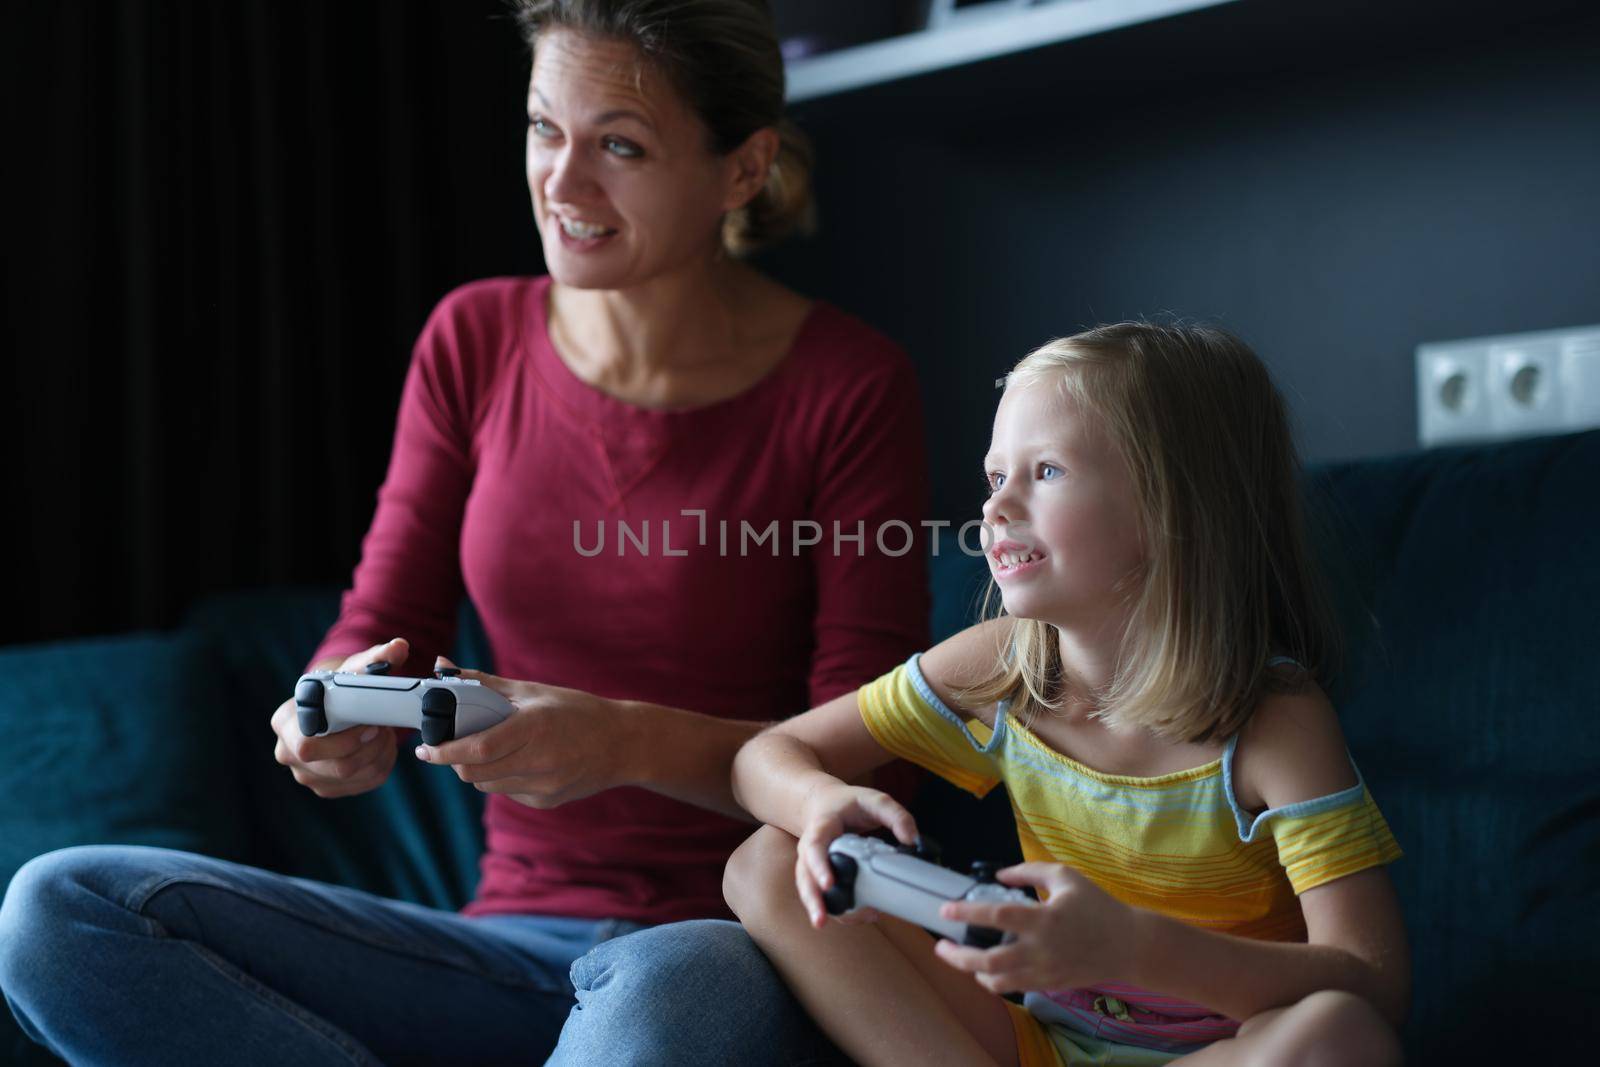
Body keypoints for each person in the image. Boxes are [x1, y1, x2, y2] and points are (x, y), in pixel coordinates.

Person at [0, 2, 924, 1063]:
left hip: (732, 944)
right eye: (544, 128)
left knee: (667, 987)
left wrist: (618, 737)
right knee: (59, 909)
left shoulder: (847, 385)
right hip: (504, 947)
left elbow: (873, 769)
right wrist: (331, 717)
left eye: (618, 145)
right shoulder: (472, 339)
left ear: (743, 168)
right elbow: (378, 621)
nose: (563, 184)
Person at [722, 323, 1411, 1066]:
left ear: (1172, 506)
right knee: (765, 862)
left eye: (1045, 471)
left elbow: (1375, 984)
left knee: (1341, 1035)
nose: (995, 507)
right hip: (1037, 1047)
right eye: (995, 477)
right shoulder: (998, 672)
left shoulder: (1274, 722)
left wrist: (1135, 948)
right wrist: (817, 803)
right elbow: (764, 755)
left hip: (1224, 1053)